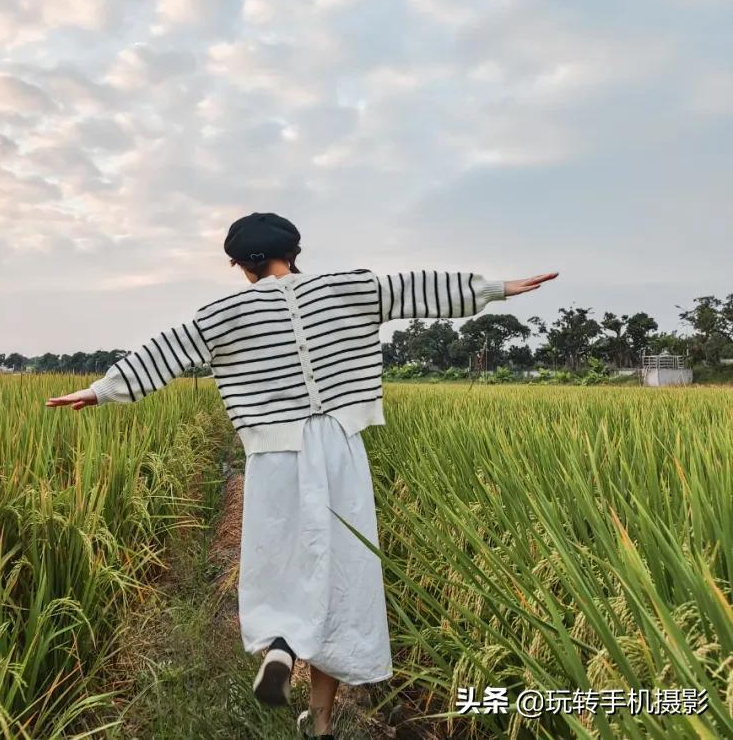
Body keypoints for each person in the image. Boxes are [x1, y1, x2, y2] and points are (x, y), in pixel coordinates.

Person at [46, 212, 557, 739]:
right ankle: (321, 723)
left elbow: (166, 352)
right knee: (342, 572)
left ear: (240, 265)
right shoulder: (345, 289)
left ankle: (282, 648)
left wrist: (99, 390)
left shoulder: (222, 313)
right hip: (339, 447)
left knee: (281, 560)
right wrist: (496, 289)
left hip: (274, 453)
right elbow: (413, 290)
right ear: (293, 252)